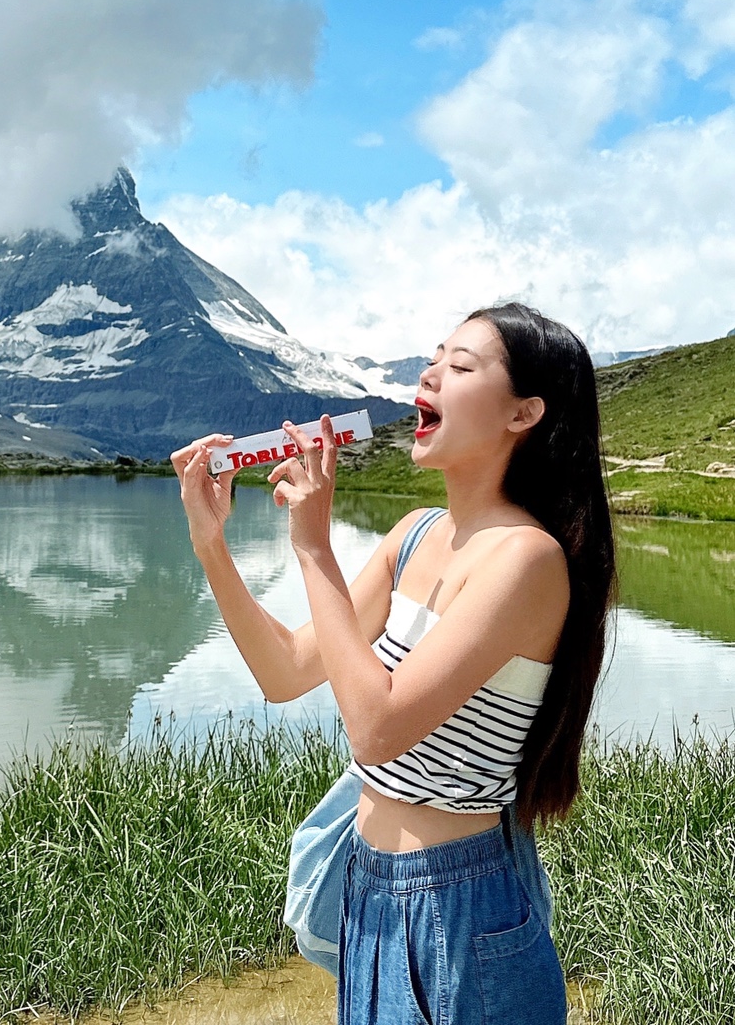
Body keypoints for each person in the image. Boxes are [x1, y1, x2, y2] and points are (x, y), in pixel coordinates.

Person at [171, 302, 616, 1025]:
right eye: (434, 358)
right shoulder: (413, 536)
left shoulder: (525, 560)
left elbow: (377, 728)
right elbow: (286, 672)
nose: (431, 373)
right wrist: (209, 544)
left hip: (463, 905)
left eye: (461, 366)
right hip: (371, 886)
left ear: (522, 414)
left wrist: (313, 546)